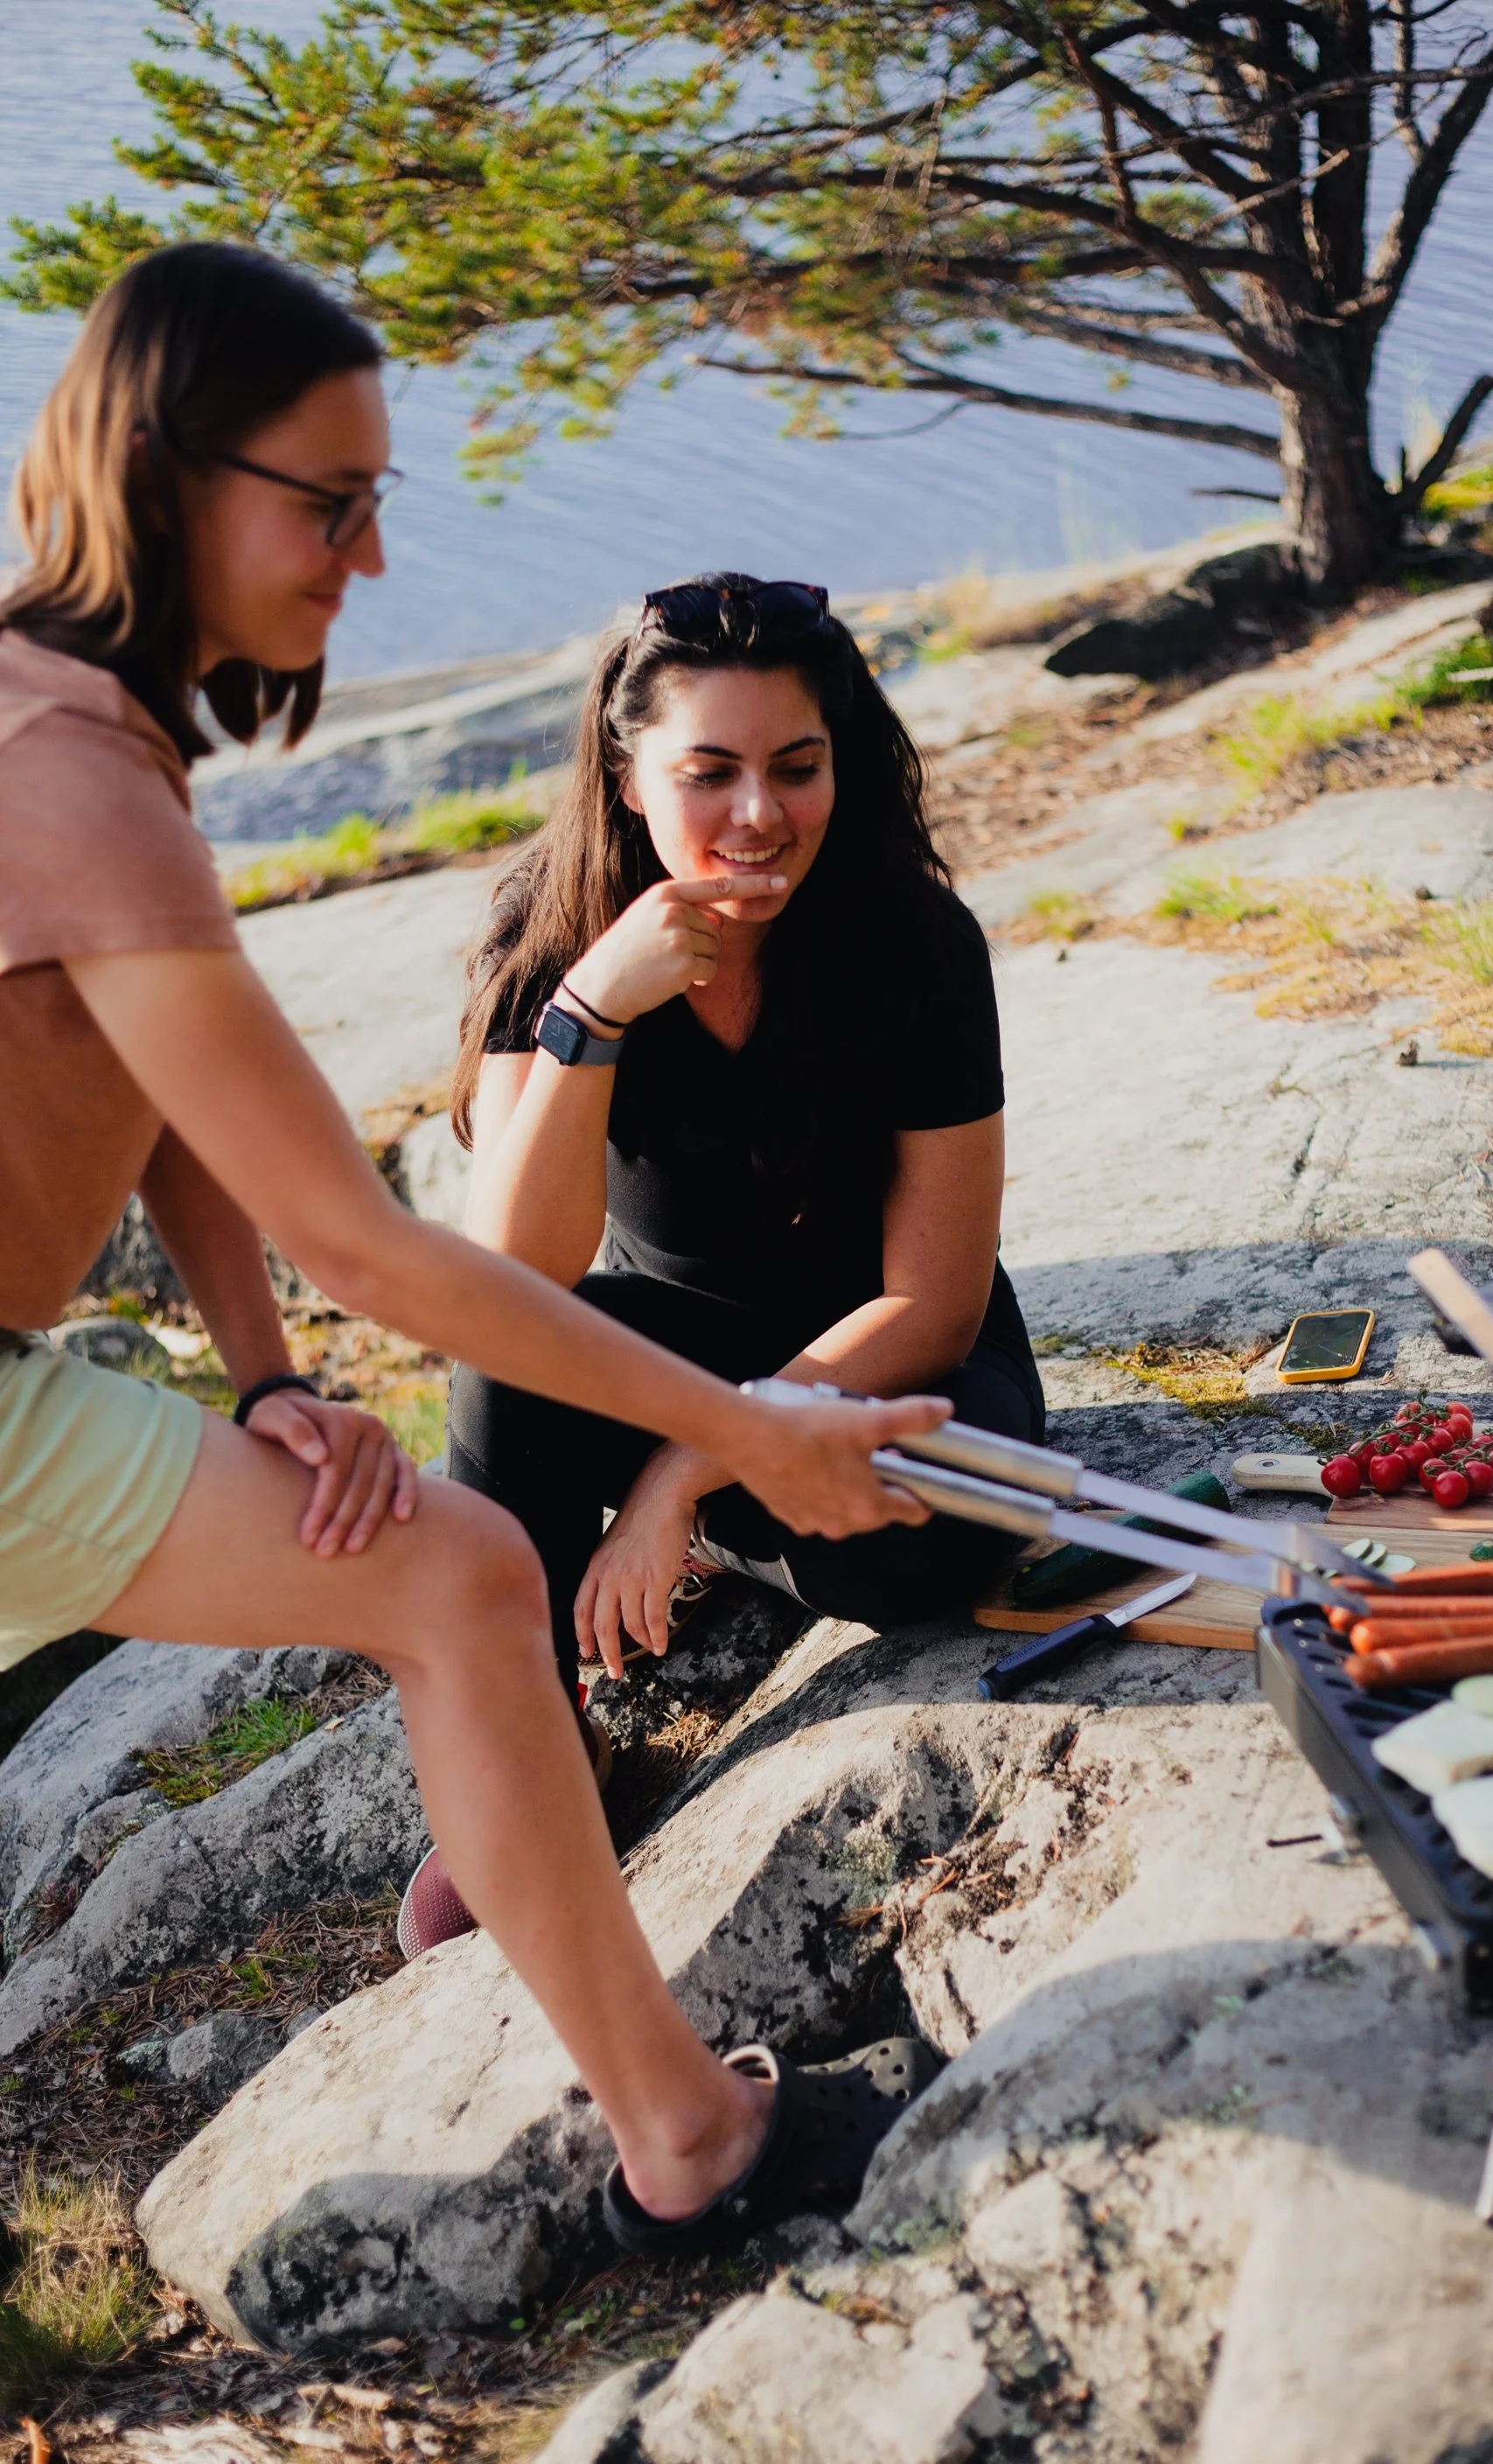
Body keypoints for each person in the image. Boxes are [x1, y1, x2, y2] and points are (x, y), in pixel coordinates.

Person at [0, 241, 948, 2259]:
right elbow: (372, 1243)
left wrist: (264, 1374)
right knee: (463, 1573)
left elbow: (154, 1093)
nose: (366, 557)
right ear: (168, 474)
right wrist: (744, 1433)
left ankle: (677, 2125)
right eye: (328, 502)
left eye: (381, 502)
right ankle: (690, 2139)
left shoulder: (62, 720)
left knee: (452, 1569)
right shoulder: (67, 772)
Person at [444, 574, 1046, 1694]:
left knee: (914, 1542)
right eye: (709, 773)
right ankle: (535, 1737)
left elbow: (932, 1307)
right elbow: (514, 1280)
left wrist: (683, 1470)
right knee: (505, 1365)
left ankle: (704, 1521)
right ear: (627, 777)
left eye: (796, 768)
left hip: (884, 1371)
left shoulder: (914, 944)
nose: (759, 813)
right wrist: (592, 1012)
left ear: (838, 765)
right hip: (667, 1356)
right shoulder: (550, 935)